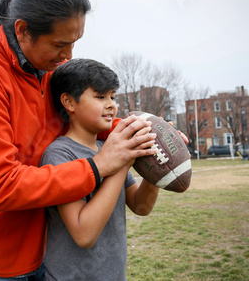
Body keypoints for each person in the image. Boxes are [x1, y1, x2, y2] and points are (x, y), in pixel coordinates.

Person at [0, 0, 158, 280]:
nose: (68, 55)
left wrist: (146, 131)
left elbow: (85, 114)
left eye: (74, 42)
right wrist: (100, 165)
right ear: (23, 29)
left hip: (42, 249)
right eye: (59, 44)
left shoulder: (47, 67)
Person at [39, 59, 160, 280]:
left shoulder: (108, 148)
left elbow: (140, 207)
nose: (111, 104)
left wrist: (158, 168)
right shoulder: (59, 155)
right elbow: (84, 234)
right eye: (100, 96)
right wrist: (122, 161)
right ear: (69, 102)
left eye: (112, 97)